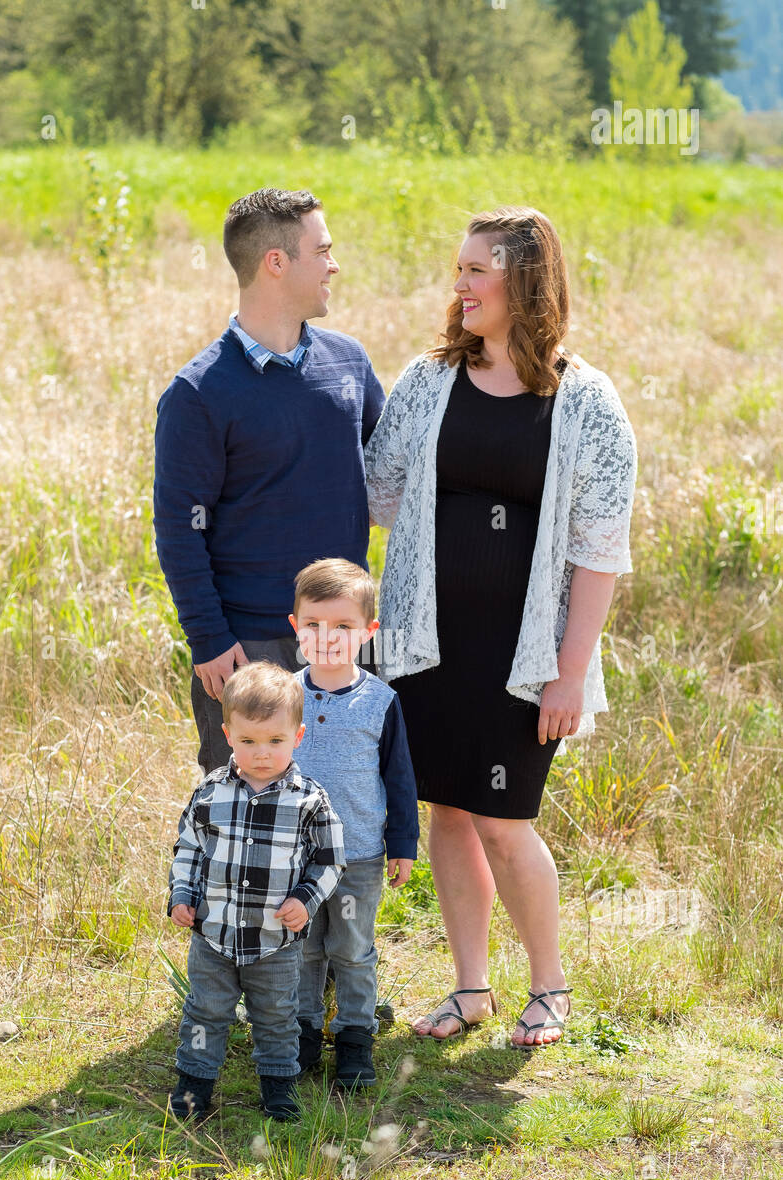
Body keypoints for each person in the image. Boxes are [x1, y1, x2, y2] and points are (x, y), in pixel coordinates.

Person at [364, 206, 638, 1049]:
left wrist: (568, 670)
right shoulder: (427, 379)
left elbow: (600, 552)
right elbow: (380, 495)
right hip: (425, 644)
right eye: (459, 267)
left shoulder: (584, 401)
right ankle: (470, 989)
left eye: (478, 269)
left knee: (505, 819)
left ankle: (549, 988)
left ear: (525, 281)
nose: (461, 284)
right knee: (448, 808)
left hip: (525, 657)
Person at [153, 186, 385, 775]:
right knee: (247, 824)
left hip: (340, 639)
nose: (335, 265)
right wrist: (208, 640)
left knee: (348, 809)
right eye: (323, 251)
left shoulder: (349, 363)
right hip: (248, 648)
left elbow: (394, 477)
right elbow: (180, 531)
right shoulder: (199, 394)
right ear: (276, 263)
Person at [167, 661, 346, 1123]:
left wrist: (305, 900)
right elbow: (188, 846)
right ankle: (194, 1085)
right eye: (248, 741)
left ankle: (278, 1087)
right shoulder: (210, 792)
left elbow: (330, 859)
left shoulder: (309, 799)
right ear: (227, 734)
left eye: (274, 741)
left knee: (276, 1016)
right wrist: (182, 894)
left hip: (274, 941)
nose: (261, 753)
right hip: (214, 934)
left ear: (298, 737)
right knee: (205, 1011)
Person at [285, 558, 419, 1089]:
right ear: (296, 629)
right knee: (302, 949)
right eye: (314, 626)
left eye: (343, 627)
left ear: (368, 633)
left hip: (357, 856)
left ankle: (355, 1039)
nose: (327, 638)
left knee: (352, 949)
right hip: (294, 857)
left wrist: (401, 844)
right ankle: (302, 1036)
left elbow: (400, 779)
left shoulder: (380, 702)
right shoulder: (285, 696)